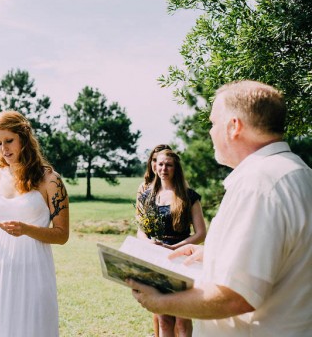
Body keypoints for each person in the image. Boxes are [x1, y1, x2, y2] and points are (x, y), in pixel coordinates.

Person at [129, 80, 312, 336]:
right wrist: (212, 253)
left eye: (213, 123)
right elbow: (285, 254)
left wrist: (158, 302)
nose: (211, 132)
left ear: (234, 126)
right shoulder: (299, 172)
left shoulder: (258, 184)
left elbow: (236, 296)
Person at [0, 110, 70, 337]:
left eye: (9, 141)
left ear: (24, 139)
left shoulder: (50, 179)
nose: (4, 149)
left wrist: (26, 229)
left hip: (33, 268)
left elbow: (62, 235)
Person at [136, 149, 206, 337]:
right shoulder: (147, 197)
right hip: (157, 261)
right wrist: (150, 244)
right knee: (164, 320)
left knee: (182, 321)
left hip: (182, 261)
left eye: (169, 165)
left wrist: (176, 247)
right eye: (160, 164)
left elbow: (201, 233)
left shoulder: (189, 196)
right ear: (155, 166)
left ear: (176, 168)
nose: (164, 168)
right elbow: (140, 231)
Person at [136, 143, 171, 337]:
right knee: (155, 301)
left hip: (169, 244)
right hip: (151, 243)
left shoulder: (174, 187)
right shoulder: (144, 188)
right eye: (155, 161)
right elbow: (140, 218)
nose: (159, 166)